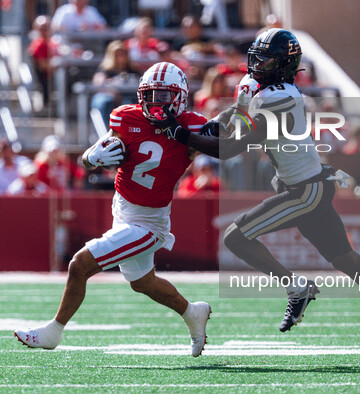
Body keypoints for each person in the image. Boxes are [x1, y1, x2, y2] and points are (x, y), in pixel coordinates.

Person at [153, 29, 360, 365]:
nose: (258, 63)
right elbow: (230, 122)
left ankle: (296, 286)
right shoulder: (255, 87)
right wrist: (200, 126)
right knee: (345, 260)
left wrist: (182, 134)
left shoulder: (281, 97)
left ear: (284, 65)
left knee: (236, 237)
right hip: (302, 184)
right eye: (258, 55)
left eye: (266, 57)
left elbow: (232, 148)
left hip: (304, 190)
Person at [14, 62, 212, 357]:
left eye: (163, 96)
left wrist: (182, 135)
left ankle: (53, 331)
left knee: (79, 265)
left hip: (149, 222)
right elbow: (88, 160)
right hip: (122, 210)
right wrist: (93, 156)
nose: (154, 102)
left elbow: (226, 147)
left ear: (180, 98)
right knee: (143, 283)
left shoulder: (191, 124)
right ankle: (192, 312)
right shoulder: (126, 116)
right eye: (150, 95)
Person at [90, 40, 138, 126]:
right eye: (117, 54)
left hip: (128, 97)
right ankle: (108, 130)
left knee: (130, 104)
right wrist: (114, 92)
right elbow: (98, 83)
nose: (120, 57)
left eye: (122, 54)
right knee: (105, 102)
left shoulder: (132, 70)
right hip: (110, 97)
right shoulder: (105, 70)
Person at [29, 15, 57, 107]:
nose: (46, 30)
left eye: (48, 27)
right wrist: (59, 65)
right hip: (49, 77)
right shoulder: (38, 45)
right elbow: (43, 66)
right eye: (43, 28)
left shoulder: (53, 42)